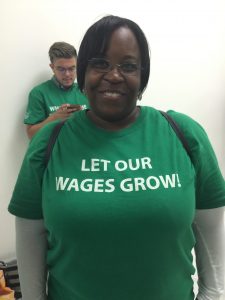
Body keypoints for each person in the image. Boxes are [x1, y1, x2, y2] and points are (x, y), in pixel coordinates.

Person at [8, 15, 225, 300]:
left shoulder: (184, 133)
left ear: (142, 75)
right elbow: (30, 241)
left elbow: (212, 241)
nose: (113, 75)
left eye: (128, 66)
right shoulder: (49, 142)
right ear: (83, 71)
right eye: (100, 63)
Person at [24, 41, 89, 139]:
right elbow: (31, 135)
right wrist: (54, 118)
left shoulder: (85, 90)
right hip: (53, 151)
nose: (67, 74)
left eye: (72, 68)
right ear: (52, 67)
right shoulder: (39, 93)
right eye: (61, 69)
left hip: (84, 148)